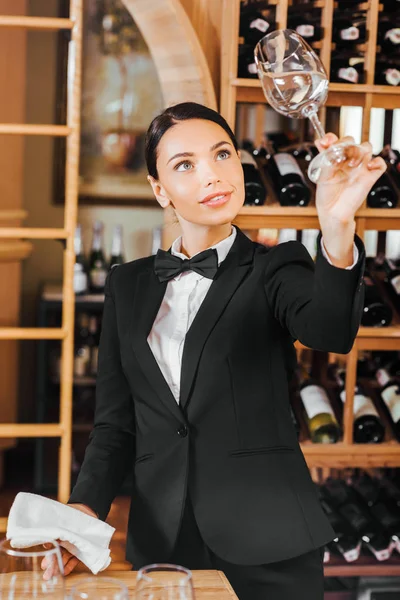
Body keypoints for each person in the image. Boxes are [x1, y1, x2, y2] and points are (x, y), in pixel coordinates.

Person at [54, 102, 385, 599]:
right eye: (184, 164)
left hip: (270, 539)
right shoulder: (127, 286)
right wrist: (82, 512)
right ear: (159, 189)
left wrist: (337, 226)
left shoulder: (278, 267)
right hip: (163, 543)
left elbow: (329, 330)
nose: (212, 174)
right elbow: (115, 424)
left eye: (222, 154)